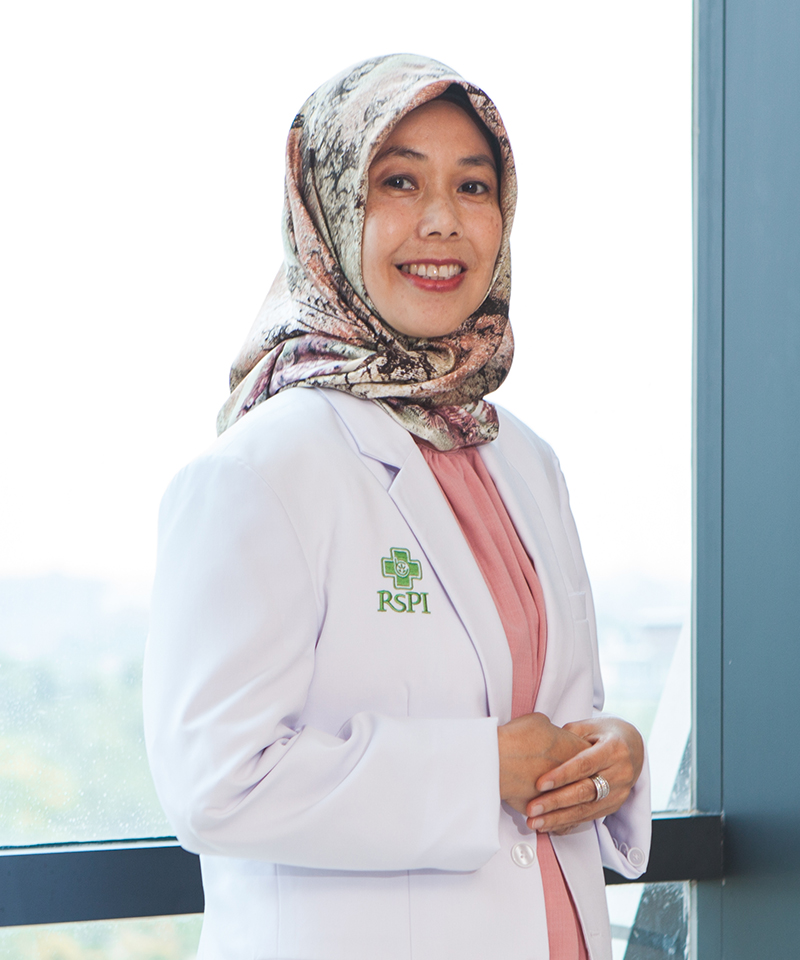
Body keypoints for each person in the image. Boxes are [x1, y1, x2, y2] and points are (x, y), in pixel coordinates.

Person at [143, 53, 651, 960]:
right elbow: (215, 784)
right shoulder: (262, 470)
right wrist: (479, 769)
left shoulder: (523, 459)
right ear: (328, 209)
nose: (443, 220)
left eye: (474, 186)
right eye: (399, 181)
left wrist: (608, 755)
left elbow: (545, 720)